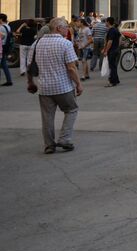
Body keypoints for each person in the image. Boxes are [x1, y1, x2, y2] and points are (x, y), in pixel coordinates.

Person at [26, 17, 83, 153]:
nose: (67, 30)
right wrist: (79, 84)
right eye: (65, 27)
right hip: (63, 87)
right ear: (58, 28)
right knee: (71, 110)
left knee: (47, 117)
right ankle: (64, 139)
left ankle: (49, 145)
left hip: (44, 88)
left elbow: (30, 66)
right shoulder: (65, 43)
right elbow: (71, 68)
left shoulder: (37, 43)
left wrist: (30, 82)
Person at [102, 17, 121, 87]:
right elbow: (120, 38)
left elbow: (109, 42)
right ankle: (116, 80)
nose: (105, 23)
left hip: (112, 50)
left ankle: (112, 82)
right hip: (116, 49)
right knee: (114, 66)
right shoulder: (115, 30)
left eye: (106, 22)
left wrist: (106, 51)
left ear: (108, 22)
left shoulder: (111, 31)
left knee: (111, 66)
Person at [1, 13, 13, 86]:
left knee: (3, 63)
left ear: (1, 19)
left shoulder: (1, 27)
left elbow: (1, 37)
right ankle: (9, 80)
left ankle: (9, 80)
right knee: (4, 64)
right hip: (6, 46)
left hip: (1, 46)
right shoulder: (8, 26)